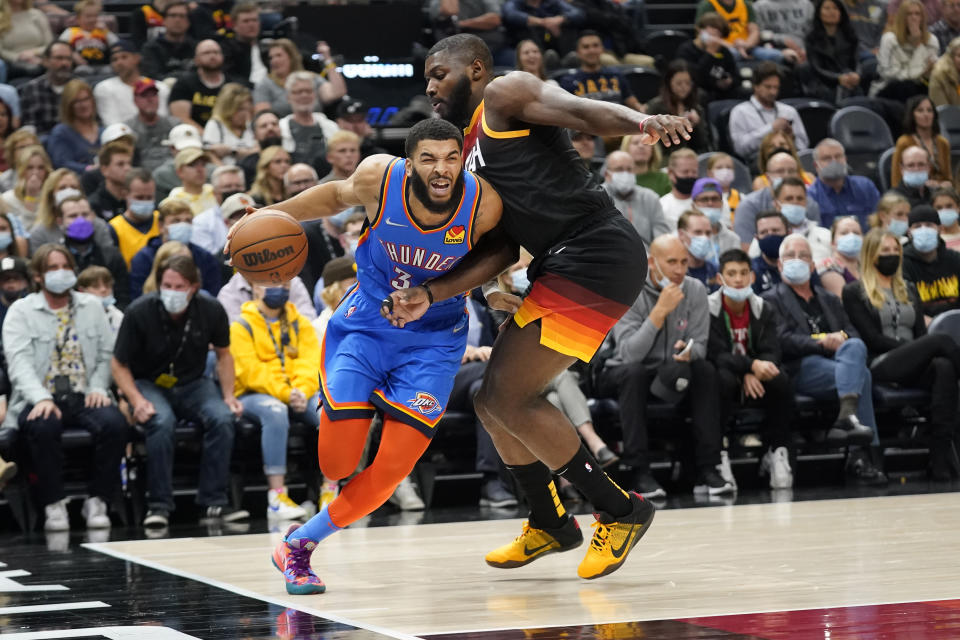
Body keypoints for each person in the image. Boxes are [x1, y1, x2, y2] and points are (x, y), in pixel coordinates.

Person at [383, 33, 690, 580]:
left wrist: (642, 122)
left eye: (438, 73)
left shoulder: (504, 94)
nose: (428, 86)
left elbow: (581, 111)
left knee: (509, 394)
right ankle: (550, 521)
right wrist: (456, 288)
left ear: (475, 69)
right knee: (489, 401)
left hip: (595, 249)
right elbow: (500, 242)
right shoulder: (464, 147)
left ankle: (621, 510)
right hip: (557, 261)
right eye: (426, 77)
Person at [256, 118, 504, 594]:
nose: (441, 169)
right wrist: (268, 213)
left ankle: (299, 546)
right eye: (429, 158)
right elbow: (333, 197)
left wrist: (490, 291)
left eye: (451, 157)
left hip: (435, 337)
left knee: (392, 468)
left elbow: (498, 251)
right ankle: (351, 404)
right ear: (410, 162)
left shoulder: (483, 200)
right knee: (336, 466)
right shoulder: (379, 177)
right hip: (368, 322)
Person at [112, 253, 248, 527]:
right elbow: (118, 363)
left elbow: (224, 355)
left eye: (179, 287)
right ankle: (159, 506)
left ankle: (214, 503)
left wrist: (229, 395)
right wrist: (136, 400)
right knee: (161, 422)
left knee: (222, 418)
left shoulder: (210, 309)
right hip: (148, 382)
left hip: (193, 383)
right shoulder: (140, 310)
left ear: (194, 287)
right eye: (167, 286)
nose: (172, 292)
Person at [3, 244, 127, 531]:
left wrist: (98, 386)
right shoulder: (21, 311)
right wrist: (41, 398)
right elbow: (18, 364)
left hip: (85, 393)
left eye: (65, 266)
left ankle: (99, 499)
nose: (61, 273)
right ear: (37, 276)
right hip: (40, 396)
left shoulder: (92, 306)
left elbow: (107, 354)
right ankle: (53, 503)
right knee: (42, 426)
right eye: (52, 268)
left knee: (115, 424)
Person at [598, 234, 731, 497]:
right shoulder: (627, 290)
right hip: (621, 372)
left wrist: (689, 353)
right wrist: (659, 312)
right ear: (651, 262)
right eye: (672, 262)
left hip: (669, 370)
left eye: (684, 262)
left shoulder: (695, 290)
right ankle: (639, 472)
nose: (680, 270)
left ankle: (708, 468)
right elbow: (628, 354)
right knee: (633, 373)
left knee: (705, 371)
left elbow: (701, 345)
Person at [762, 233, 885, 483]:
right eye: (790, 256)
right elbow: (783, 340)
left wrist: (838, 338)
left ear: (812, 264)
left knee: (856, 347)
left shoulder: (828, 298)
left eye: (804, 256)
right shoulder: (769, 299)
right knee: (863, 374)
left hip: (837, 365)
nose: (797, 260)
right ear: (779, 264)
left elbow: (851, 332)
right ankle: (865, 453)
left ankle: (846, 420)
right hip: (800, 368)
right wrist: (822, 343)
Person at [842, 228, 960, 479]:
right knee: (940, 341)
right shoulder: (854, 291)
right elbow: (872, 339)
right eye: (885, 251)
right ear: (871, 255)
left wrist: (918, 350)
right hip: (881, 363)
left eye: (896, 250)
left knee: (943, 366)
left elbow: (919, 334)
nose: (892, 255)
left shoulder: (908, 288)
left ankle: (940, 456)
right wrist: (914, 350)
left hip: (916, 363)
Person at [230, 281, 318, 521]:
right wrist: (285, 393)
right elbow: (250, 371)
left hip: (297, 391)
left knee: (326, 410)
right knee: (276, 412)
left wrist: (301, 389)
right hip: (252, 394)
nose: (277, 287)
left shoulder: (300, 323)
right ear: (255, 287)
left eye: (283, 283)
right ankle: (277, 497)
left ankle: (330, 491)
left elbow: (310, 362)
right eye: (270, 282)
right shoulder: (241, 325)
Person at [708, 248, 795, 489]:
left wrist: (755, 368)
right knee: (720, 379)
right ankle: (720, 454)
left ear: (752, 277)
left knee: (779, 378)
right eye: (732, 273)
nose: (738, 279)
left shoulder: (763, 307)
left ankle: (776, 449)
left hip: (754, 374)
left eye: (744, 273)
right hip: (726, 373)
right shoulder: (709, 308)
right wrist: (748, 367)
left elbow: (772, 350)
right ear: (720, 278)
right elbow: (715, 354)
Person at [129, 197, 221, 299]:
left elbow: (213, 296)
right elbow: (137, 296)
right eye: (176, 221)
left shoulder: (206, 258)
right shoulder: (144, 258)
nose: (183, 225)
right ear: (161, 225)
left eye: (188, 220)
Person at [734, 152, 821, 247]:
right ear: (768, 177)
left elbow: (819, 241)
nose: (786, 176)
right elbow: (747, 248)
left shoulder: (809, 203)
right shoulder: (749, 205)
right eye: (780, 171)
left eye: (791, 171)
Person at [728, 62, 809, 163]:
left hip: (790, 161)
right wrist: (771, 129)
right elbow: (740, 149)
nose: (773, 92)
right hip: (757, 164)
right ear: (755, 86)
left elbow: (803, 147)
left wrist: (792, 138)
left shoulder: (789, 111)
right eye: (768, 87)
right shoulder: (740, 111)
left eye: (776, 87)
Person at [59, 195, 130, 308]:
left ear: (93, 216)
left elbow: (123, 297)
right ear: (60, 221)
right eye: (73, 216)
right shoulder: (57, 261)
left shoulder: (111, 256)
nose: (80, 220)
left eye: (85, 214)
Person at [253, 39, 346, 117]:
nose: (274, 61)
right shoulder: (265, 84)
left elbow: (337, 92)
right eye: (271, 57)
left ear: (291, 57)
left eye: (279, 55)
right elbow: (262, 115)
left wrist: (327, 59)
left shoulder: (311, 78)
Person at [557, 31, 642, 110]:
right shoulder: (568, 81)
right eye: (586, 47)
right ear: (578, 52)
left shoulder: (616, 75)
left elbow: (635, 105)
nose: (592, 50)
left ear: (602, 49)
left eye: (595, 46)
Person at [901, 204, 960, 318]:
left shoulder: (955, 259)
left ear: (940, 229)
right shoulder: (902, 263)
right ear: (909, 232)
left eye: (929, 225)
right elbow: (907, 305)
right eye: (917, 226)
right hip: (922, 326)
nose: (924, 230)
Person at [807, 138, 881, 229]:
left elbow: (879, 222)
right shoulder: (810, 196)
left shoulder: (865, 187)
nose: (834, 162)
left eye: (838, 156)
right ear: (816, 166)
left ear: (845, 159)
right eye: (827, 158)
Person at [601, 150, 669, 248]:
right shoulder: (598, 197)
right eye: (619, 169)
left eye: (629, 169)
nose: (625, 174)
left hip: (647, 258)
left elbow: (662, 238)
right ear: (607, 174)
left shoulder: (650, 197)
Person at [872, 0, 939, 97]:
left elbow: (929, 74)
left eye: (917, 14)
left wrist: (918, 44)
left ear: (923, 18)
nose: (914, 18)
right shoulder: (889, 39)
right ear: (902, 17)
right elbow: (887, 73)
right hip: (889, 88)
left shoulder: (931, 41)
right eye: (909, 14)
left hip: (920, 87)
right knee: (906, 86)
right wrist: (918, 73)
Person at [95, 41, 171, 127]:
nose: (119, 63)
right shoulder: (104, 88)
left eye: (124, 57)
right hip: (124, 137)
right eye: (114, 59)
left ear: (137, 58)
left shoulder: (160, 87)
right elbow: (111, 124)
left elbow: (163, 118)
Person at [278, 71, 341, 169]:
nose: (304, 95)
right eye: (298, 92)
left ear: (315, 95)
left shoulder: (331, 127)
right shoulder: (279, 129)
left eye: (308, 91)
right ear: (288, 97)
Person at [168, 39, 235, 130]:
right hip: (194, 136)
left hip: (226, 135)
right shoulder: (183, 84)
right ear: (196, 60)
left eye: (216, 52)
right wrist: (208, 138)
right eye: (206, 53)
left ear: (222, 56)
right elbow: (181, 119)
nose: (212, 56)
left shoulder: (232, 85)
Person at [644, 60, 710, 153]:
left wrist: (696, 125)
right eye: (679, 83)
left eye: (687, 83)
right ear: (669, 83)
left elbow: (702, 144)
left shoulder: (696, 107)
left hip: (691, 156)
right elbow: (651, 142)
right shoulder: (656, 106)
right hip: (665, 156)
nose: (684, 87)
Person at [675, 12, 740, 102]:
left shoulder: (724, 51)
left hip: (720, 92)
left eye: (718, 35)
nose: (715, 38)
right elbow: (693, 77)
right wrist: (710, 53)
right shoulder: (686, 50)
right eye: (712, 33)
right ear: (700, 30)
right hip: (698, 92)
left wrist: (729, 82)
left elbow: (735, 74)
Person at [891, 96, 952, 189]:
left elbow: (948, 179)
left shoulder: (943, 143)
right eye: (920, 110)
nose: (926, 114)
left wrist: (941, 185)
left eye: (929, 110)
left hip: (941, 194)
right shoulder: (904, 142)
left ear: (934, 114)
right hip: (912, 192)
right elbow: (896, 181)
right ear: (912, 115)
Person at [695, 0, 785, 62]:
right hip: (722, 48)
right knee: (733, 54)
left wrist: (746, 45)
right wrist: (733, 46)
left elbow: (754, 31)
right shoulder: (707, 5)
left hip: (747, 46)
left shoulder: (745, 4)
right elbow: (702, 35)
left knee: (777, 55)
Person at [45, 79, 101, 174]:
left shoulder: (103, 131)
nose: (83, 105)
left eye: (86, 99)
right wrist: (89, 169)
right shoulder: (61, 133)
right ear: (68, 105)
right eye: (77, 101)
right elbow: (62, 164)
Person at [19, 41, 74, 136]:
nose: (65, 63)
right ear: (45, 61)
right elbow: (30, 126)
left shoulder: (81, 86)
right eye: (59, 58)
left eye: (68, 59)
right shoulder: (32, 88)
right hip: (44, 142)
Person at [125, 79, 179, 175]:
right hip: (141, 179)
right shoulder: (127, 130)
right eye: (144, 96)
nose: (150, 100)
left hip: (174, 175)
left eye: (153, 95)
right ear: (135, 100)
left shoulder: (175, 125)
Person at [109, 169, 159, 267]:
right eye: (139, 197)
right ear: (125, 194)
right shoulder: (114, 228)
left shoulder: (162, 220)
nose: (145, 202)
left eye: (149, 197)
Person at [191, 165, 245, 255]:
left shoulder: (256, 214)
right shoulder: (202, 222)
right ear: (215, 193)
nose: (233, 190)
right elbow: (209, 259)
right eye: (227, 187)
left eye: (238, 186)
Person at [139, 0, 196, 81]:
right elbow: (151, 77)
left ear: (189, 22)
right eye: (173, 15)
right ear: (164, 20)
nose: (177, 20)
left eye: (182, 16)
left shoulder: (196, 48)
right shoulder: (151, 49)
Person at [501, 0, 585, 53]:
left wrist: (559, 19)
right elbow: (510, 14)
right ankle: (541, 57)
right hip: (525, 41)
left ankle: (568, 57)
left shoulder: (553, 2)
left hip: (554, 38)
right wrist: (541, 22)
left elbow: (578, 13)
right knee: (527, 29)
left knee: (568, 25)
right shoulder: (515, 2)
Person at [431, 0, 506, 59]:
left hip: (492, 48)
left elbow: (494, 19)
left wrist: (461, 24)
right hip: (454, 52)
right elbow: (450, 11)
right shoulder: (438, 2)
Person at [202, 82, 256, 165]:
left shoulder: (250, 126)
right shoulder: (215, 125)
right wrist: (227, 172)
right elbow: (209, 155)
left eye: (247, 109)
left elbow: (258, 152)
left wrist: (231, 151)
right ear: (228, 108)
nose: (245, 114)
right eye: (240, 109)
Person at [58, 0, 117, 73]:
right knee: (82, 71)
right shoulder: (71, 31)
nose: (92, 19)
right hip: (81, 65)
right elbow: (60, 45)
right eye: (88, 16)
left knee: (109, 70)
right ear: (78, 18)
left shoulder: (102, 31)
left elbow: (117, 44)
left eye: (95, 16)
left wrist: (107, 31)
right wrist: (73, 54)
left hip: (102, 65)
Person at [0, 0, 53, 79]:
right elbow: (1, 51)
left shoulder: (37, 15)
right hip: (12, 64)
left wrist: (34, 53)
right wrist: (18, 57)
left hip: (40, 59)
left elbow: (50, 44)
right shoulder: (1, 18)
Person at [2, 144, 50, 229]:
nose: (35, 173)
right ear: (21, 170)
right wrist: (31, 197)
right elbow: (22, 232)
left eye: (41, 168)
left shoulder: (52, 196)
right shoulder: (7, 199)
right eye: (30, 168)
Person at [218, 2, 267, 85]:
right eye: (246, 21)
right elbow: (229, 77)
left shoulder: (266, 47)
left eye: (254, 20)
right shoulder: (226, 49)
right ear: (234, 25)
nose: (251, 25)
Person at [817, 215, 865, 296]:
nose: (851, 236)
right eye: (844, 233)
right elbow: (844, 303)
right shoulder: (828, 267)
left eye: (856, 233)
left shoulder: (865, 266)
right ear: (832, 243)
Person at [168, 147, 217, 215]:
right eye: (192, 165)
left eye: (203, 164)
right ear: (180, 172)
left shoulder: (216, 193)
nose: (200, 170)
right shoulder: (173, 201)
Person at [659, 148, 700, 230]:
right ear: (671, 173)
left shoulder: (708, 201)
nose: (690, 176)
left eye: (694, 172)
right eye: (685, 172)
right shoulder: (662, 206)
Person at [678, 209, 720, 288]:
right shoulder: (675, 273)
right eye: (697, 232)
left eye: (708, 233)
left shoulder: (716, 272)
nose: (704, 237)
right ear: (681, 234)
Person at [76, 265, 123, 333]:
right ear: (82, 291)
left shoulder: (119, 316)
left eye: (107, 286)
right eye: (96, 286)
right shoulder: (76, 316)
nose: (103, 290)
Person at [752, 209, 789, 293]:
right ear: (756, 238)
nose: (770, 235)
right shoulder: (751, 271)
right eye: (763, 232)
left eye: (775, 230)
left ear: (788, 233)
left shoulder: (801, 266)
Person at [0, 254, 30, 329]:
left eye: (16, 278)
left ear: (25, 282)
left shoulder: (31, 304)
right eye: (6, 278)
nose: (11, 282)